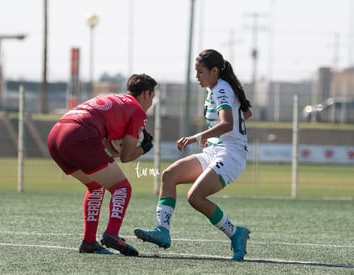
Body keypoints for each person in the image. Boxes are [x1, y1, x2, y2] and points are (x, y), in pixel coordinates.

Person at [134, 49, 252, 261]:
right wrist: (214, 135)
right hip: (217, 150)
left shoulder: (221, 89)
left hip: (230, 155)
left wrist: (196, 137)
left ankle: (236, 233)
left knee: (195, 197)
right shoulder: (215, 88)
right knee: (169, 176)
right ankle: (162, 231)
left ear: (215, 71)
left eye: (200, 72)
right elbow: (245, 113)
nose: (196, 76)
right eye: (195, 72)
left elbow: (228, 123)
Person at [47, 73, 156, 256]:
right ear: (146, 94)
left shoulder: (111, 99)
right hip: (79, 135)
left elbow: (106, 149)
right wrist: (145, 148)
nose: (151, 103)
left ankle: (89, 242)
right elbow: (126, 156)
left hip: (56, 135)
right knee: (122, 187)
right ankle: (112, 233)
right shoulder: (137, 109)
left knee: (95, 186)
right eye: (152, 97)